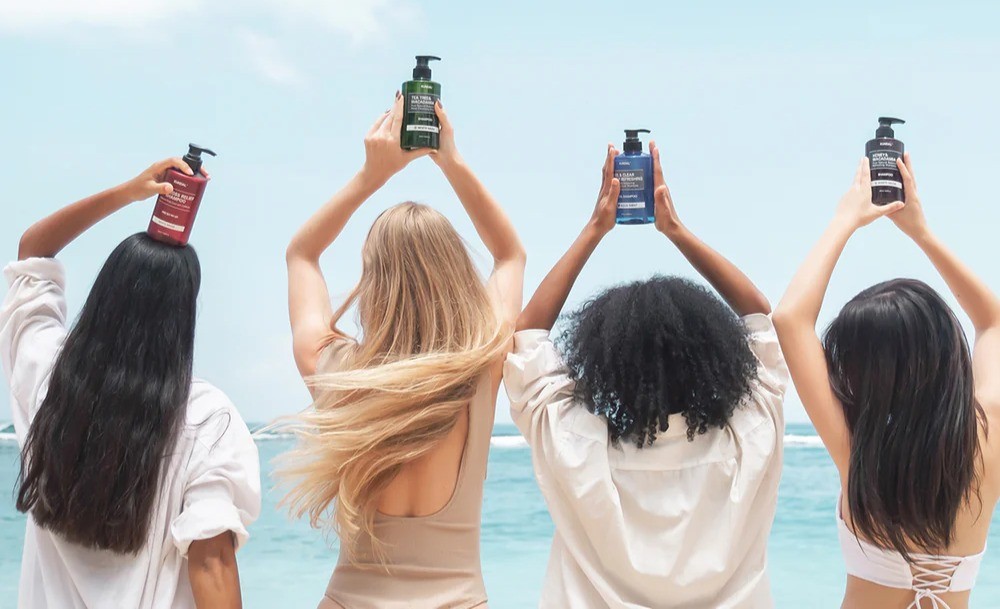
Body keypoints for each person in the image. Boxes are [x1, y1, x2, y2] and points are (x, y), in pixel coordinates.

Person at [504, 142, 789, 608]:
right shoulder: (750, 435)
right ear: (716, 356)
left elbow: (529, 334)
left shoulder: (576, 443)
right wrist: (674, 230)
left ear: (604, 365)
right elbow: (760, 318)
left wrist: (595, 228)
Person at [280, 94, 525, 609]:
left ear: (374, 284)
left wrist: (372, 175)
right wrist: (449, 159)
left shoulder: (338, 371)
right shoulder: (483, 366)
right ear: (456, 277)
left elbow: (302, 254)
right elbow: (509, 254)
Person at [0, 158, 261, 609]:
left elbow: (33, 252)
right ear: (182, 319)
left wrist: (129, 192)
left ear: (104, 297)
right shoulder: (206, 418)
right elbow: (211, 562)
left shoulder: (49, 381)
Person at [773, 155, 1000, 609]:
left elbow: (790, 318)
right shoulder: (989, 435)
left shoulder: (858, 453)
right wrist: (921, 232)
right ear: (946, 352)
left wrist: (845, 220)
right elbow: (992, 322)